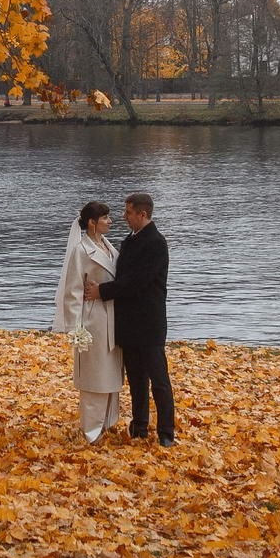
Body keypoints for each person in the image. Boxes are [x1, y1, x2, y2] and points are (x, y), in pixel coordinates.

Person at [92, 191, 173, 446]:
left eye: (128, 212)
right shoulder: (129, 240)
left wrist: (102, 292)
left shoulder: (156, 243)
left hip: (149, 322)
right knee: (137, 378)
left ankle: (166, 433)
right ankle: (139, 426)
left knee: (158, 380)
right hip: (128, 322)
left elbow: (138, 281)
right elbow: (121, 274)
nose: (124, 217)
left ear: (143, 214)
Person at [52, 200, 123, 442]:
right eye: (105, 218)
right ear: (92, 223)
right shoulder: (81, 251)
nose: (110, 221)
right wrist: (75, 329)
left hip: (112, 317)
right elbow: (72, 292)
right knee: (95, 374)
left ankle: (107, 421)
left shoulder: (109, 247)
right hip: (92, 320)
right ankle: (91, 429)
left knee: (111, 372)